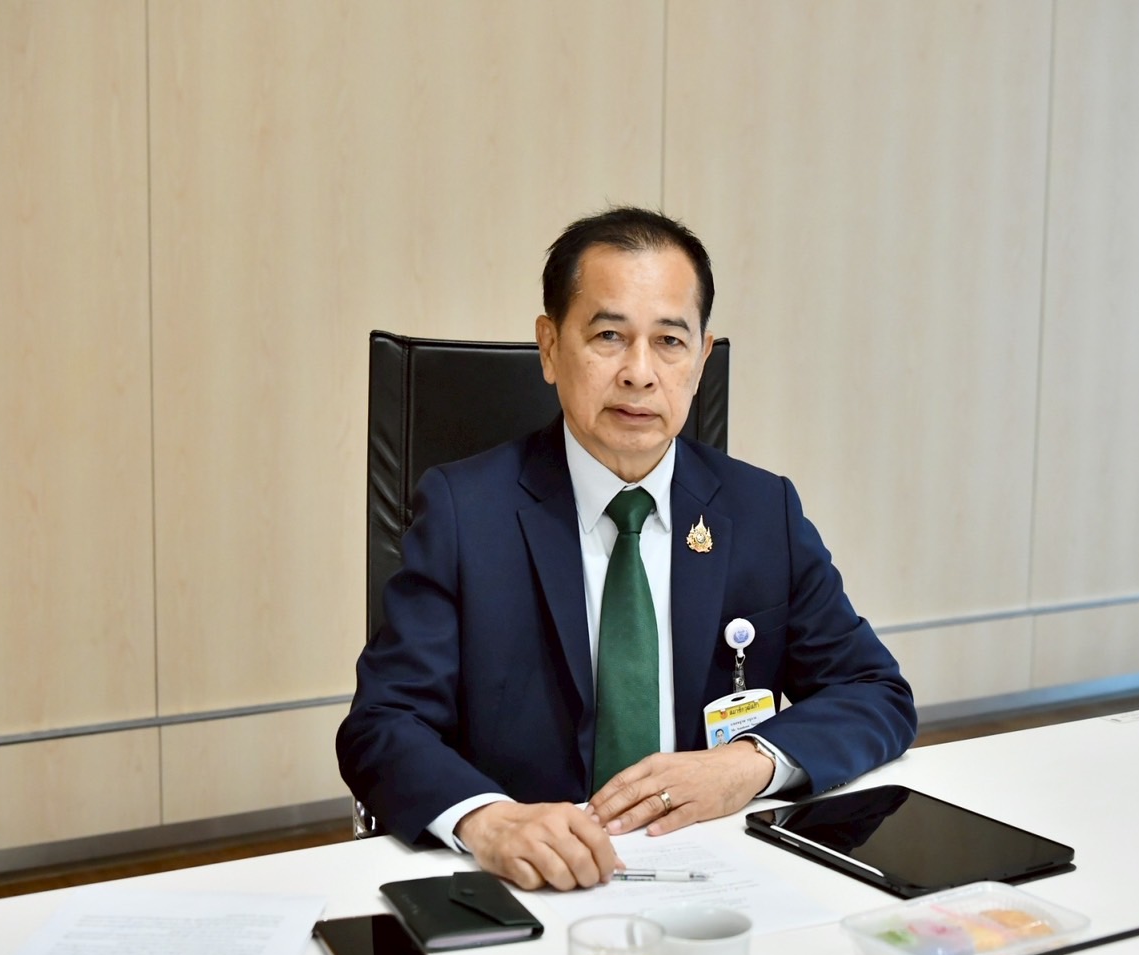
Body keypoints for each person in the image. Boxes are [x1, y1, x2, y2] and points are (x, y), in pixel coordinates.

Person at [337, 207, 915, 891]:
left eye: (669, 341)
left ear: (701, 359)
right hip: (529, 882)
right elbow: (383, 723)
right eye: (609, 336)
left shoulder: (762, 511)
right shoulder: (465, 514)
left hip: (713, 872)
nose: (640, 373)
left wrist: (748, 764)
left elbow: (874, 692)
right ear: (550, 347)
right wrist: (488, 821)